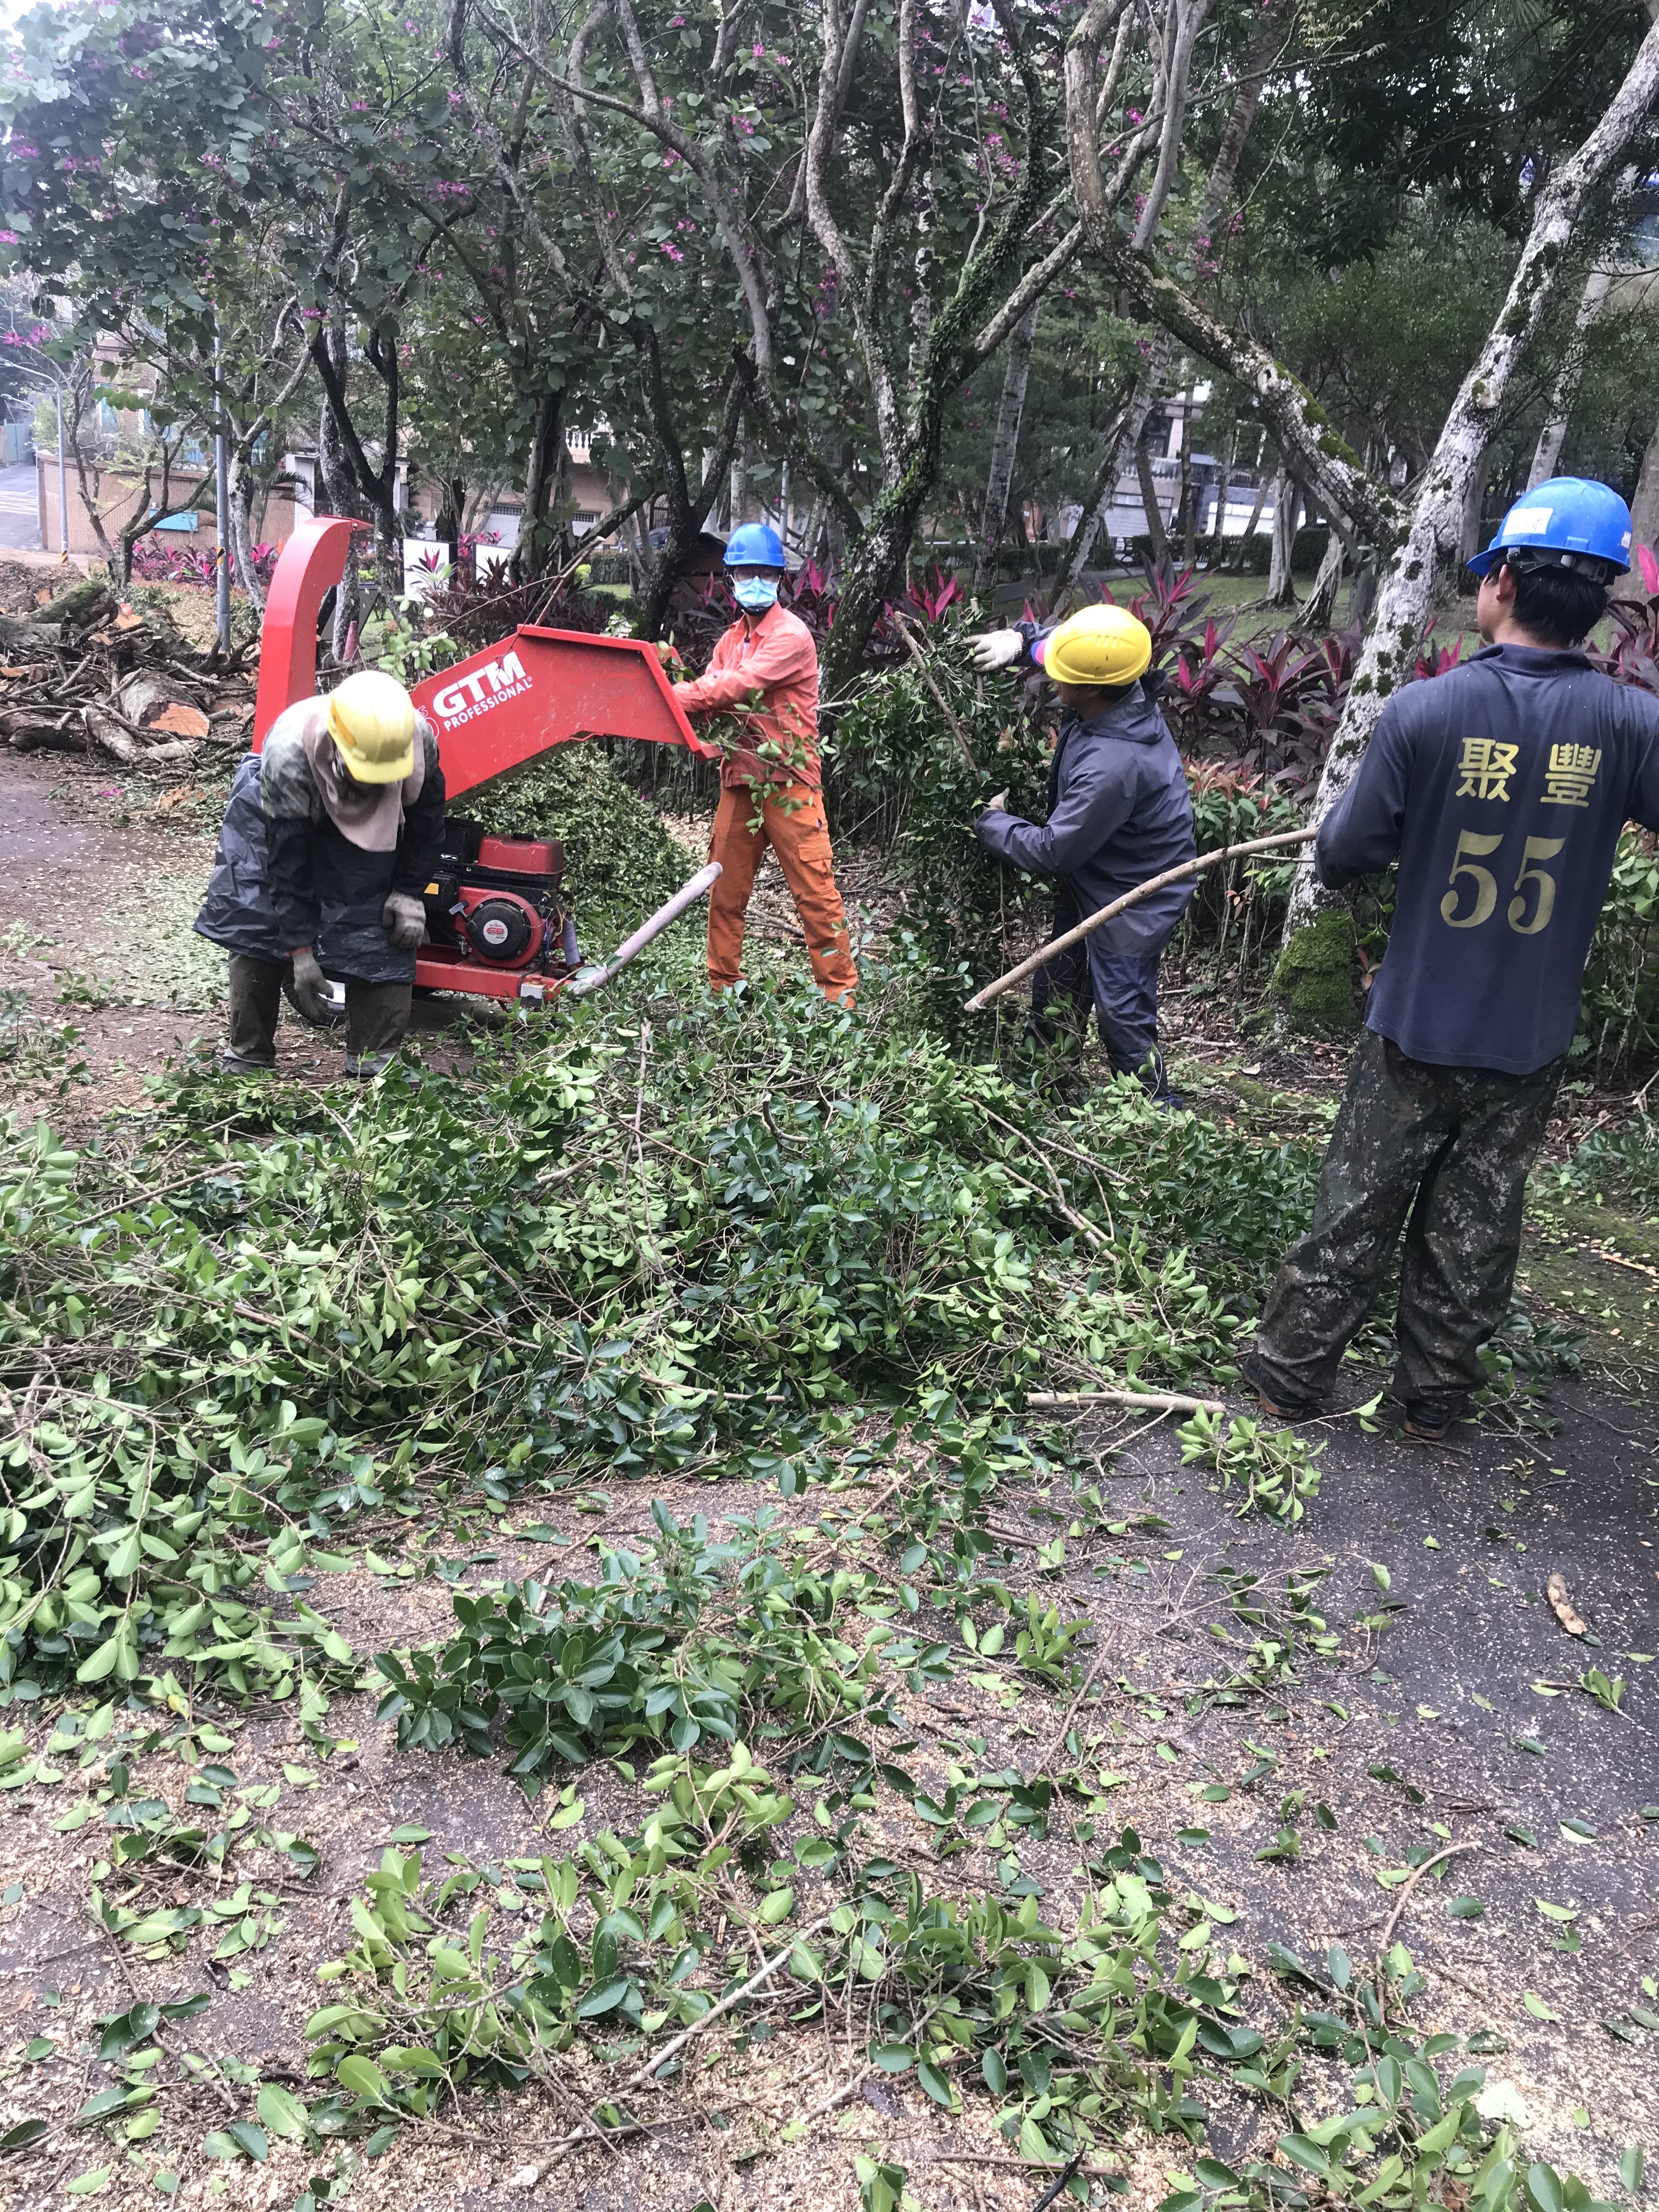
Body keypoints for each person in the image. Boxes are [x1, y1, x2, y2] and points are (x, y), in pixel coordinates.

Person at [1242, 476, 1659, 1440]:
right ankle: (1432, 1402)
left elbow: (1344, 852)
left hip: (1414, 1016)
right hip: (1528, 1030)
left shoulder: (1424, 714)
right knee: (1476, 1219)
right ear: (1597, 599)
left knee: (1355, 1204)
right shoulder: (1629, 725)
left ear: (1503, 581)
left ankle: (1286, 1380)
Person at [967, 602, 1197, 1102]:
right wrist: (1020, 641)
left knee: (1123, 1012)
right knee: (1060, 977)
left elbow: (1054, 850)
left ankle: (1155, 1115)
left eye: (1059, 676)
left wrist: (992, 824)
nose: (1051, 678)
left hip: (1135, 889)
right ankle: (1043, 1077)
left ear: (1092, 689)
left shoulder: (1115, 764)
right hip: (1100, 863)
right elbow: (1075, 645)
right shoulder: (1115, 680)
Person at [195, 669, 445, 1078]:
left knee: (381, 923)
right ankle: (248, 1057)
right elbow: (288, 864)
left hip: (378, 827)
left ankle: (374, 1066)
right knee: (257, 919)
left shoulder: (418, 742)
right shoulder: (289, 755)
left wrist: (410, 891)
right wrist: (301, 952)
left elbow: (428, 821)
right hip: (287, 811)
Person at [670, 523, 857, 1005]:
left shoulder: (791, 637)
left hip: (790, 783)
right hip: (739, 782)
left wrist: (672, 694)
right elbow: (713, 694)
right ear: (731, 579)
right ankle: (723, 989)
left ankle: (840, 998)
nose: (754, 580)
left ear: (778, 578)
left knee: (815, 894)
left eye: (763, 572)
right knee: (723, 891)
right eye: (744, 573)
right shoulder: (730, 640)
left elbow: (735, 688)